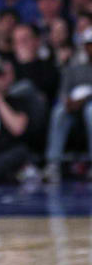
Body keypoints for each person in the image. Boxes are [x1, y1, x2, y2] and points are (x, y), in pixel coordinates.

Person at [44, 28, 92, 183]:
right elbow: (64, 89)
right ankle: (53, 163)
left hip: (89, 104)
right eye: (88, 44)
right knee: (59, 112)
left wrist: (84, 99)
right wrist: (67, 101)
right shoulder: (74, 65)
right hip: (73, 105)